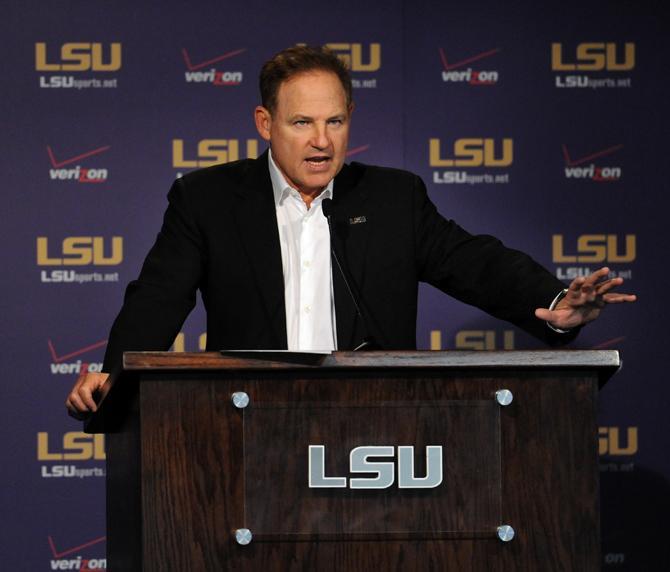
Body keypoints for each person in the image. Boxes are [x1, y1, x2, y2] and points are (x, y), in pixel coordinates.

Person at [66, 45, 635, 419]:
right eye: (302, 123)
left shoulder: (391, 198)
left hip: (375, 422)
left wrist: (554, 302)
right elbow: (159, 297)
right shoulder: (208, 199)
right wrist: (114, 373)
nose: (322, 141)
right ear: (265, 124)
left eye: (335, 121)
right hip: (248, 417)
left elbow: (474, 262)